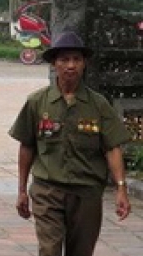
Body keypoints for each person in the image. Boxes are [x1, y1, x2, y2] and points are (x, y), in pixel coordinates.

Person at [9, 32, 132, 256]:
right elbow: (26, 146)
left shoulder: (98, 104)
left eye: (76, 59)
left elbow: (112, 147)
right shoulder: (37, 102)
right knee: (49, 250)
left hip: (86, 193)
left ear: (84, 64)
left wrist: (121, 189)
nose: (70, 65)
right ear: (54, 63)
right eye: (64, 59)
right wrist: (21, 190)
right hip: (48, 190)